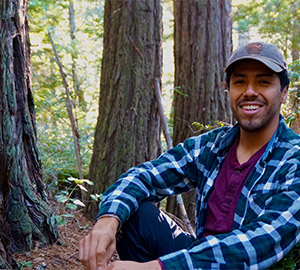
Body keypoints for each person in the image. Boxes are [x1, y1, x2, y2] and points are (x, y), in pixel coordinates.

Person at [79, 42, 300, 270]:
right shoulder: (212, 146)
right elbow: (145, 176)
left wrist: (157, 267)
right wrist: (107, 221)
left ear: (283, 92)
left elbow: (263, 240)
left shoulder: (294, 159)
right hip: (196, 260)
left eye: (264, 82)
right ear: (228, 89)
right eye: (240, 82)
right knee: (135, 214)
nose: (250, 91)